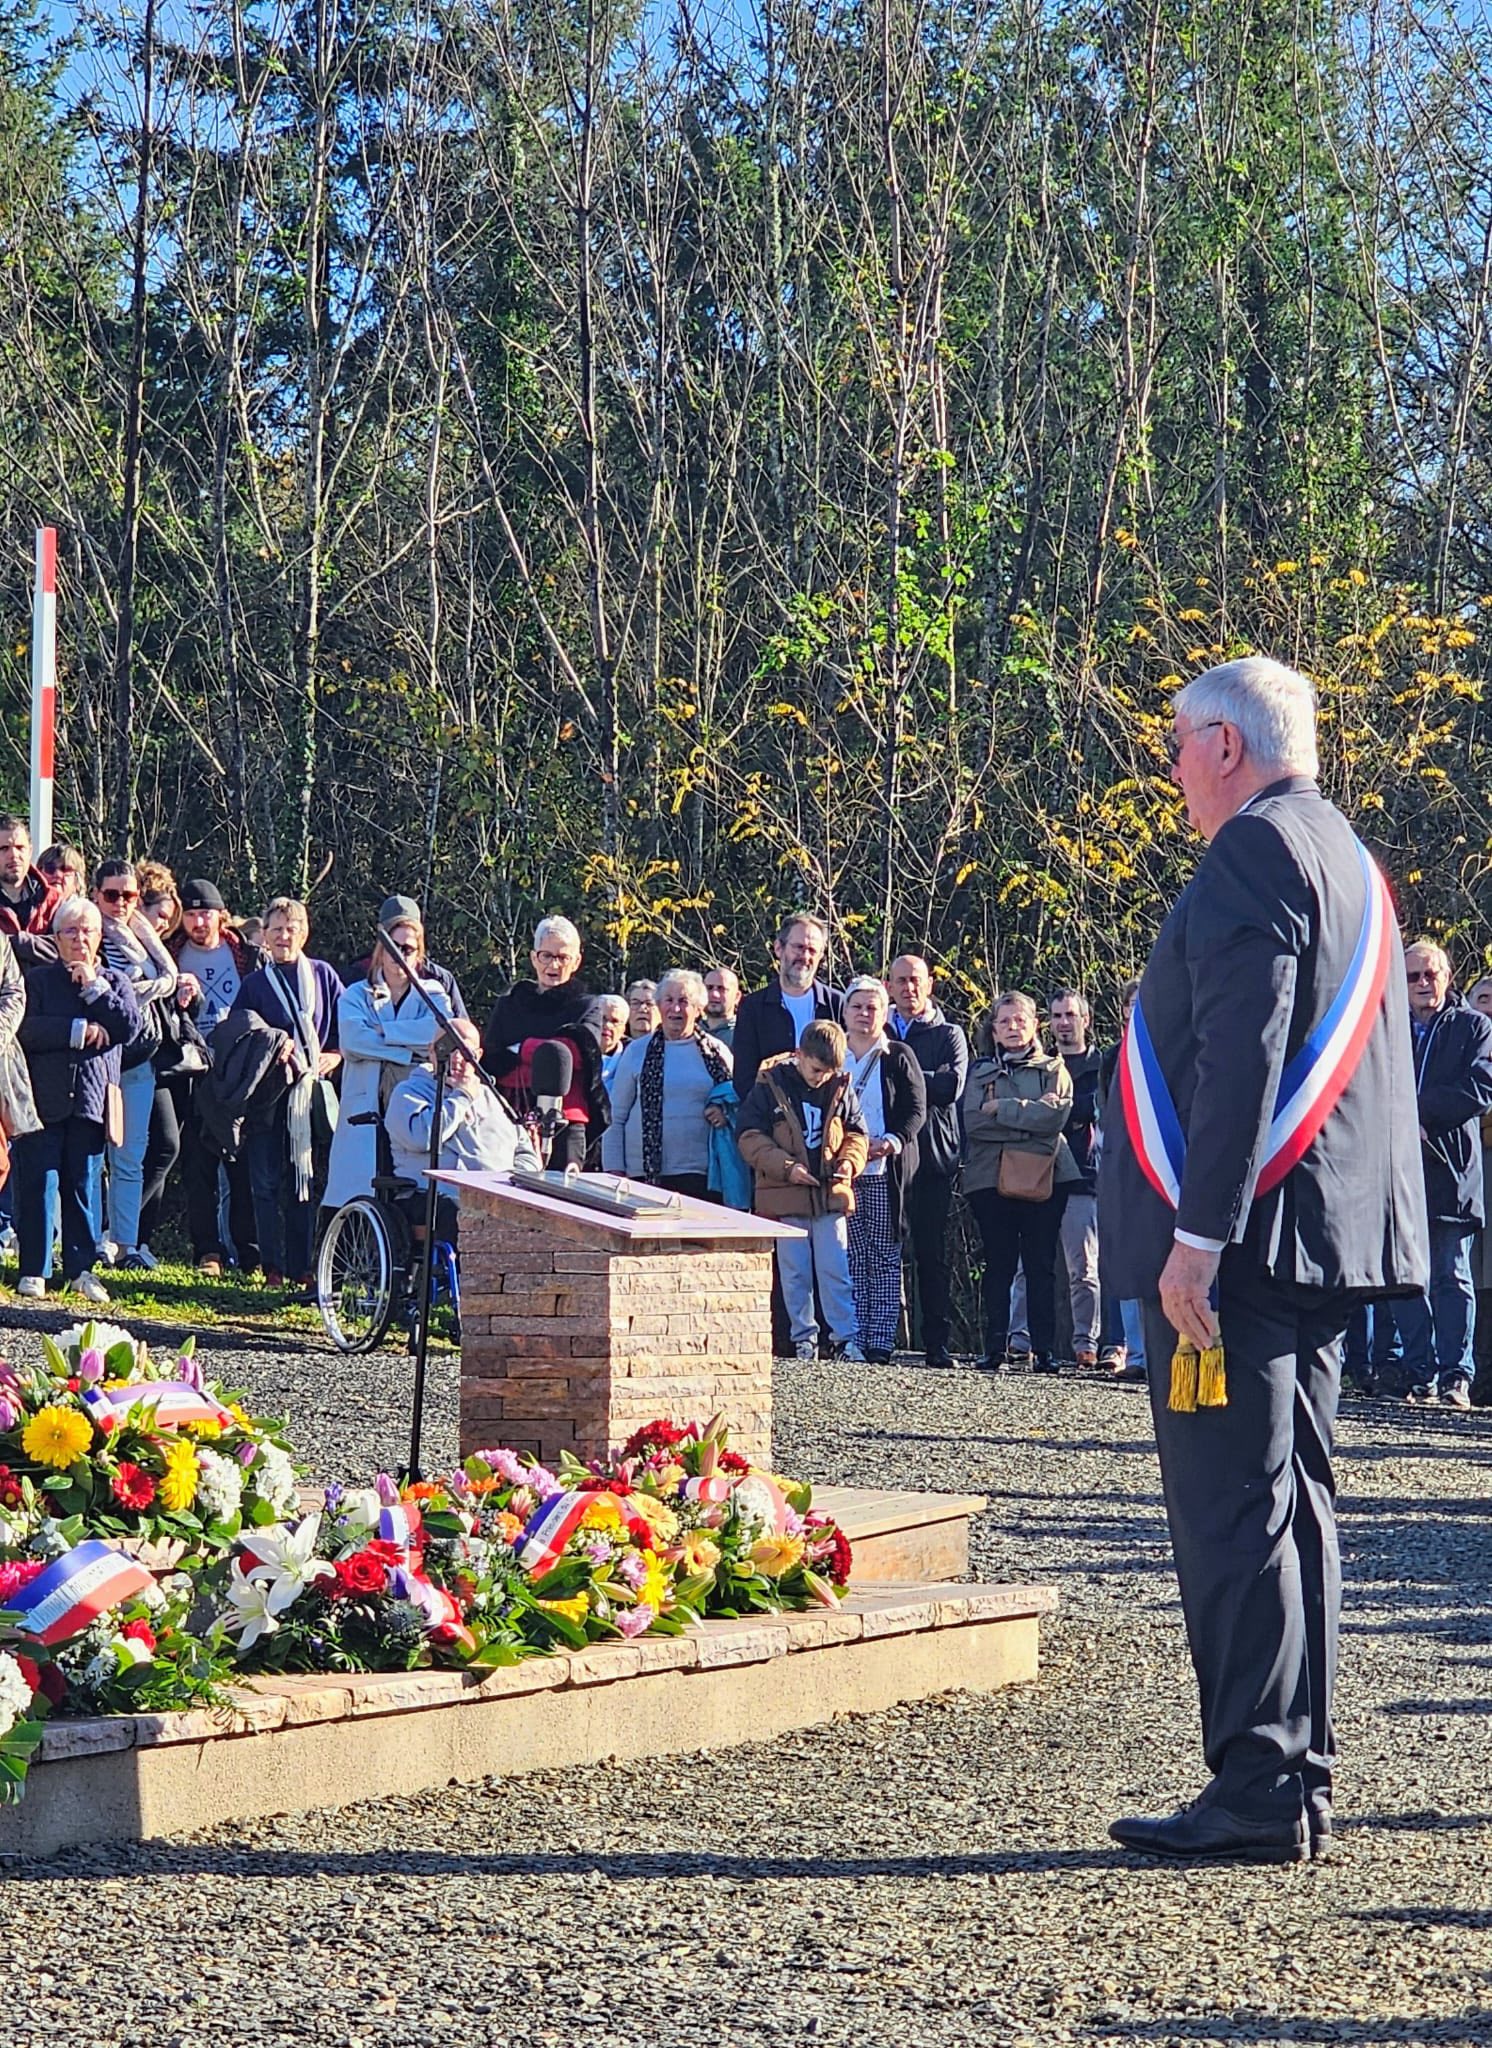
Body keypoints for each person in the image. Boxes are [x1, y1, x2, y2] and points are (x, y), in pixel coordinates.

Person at [1099, 656, 1427, 1866]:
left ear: (1227, 745)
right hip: (1317, 1239)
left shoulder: (1249, 850)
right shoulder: (1343, 849)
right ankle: (1290, 1771)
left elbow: (1244, 1046)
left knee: (1235, 1508)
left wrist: (1197, 1236)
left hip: (1243, 1250)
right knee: (1295, 1508)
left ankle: (1256, 1783)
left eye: (1179, 740)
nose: (1172, 763)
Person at [13, 899, 137, 1302]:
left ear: (100, 938)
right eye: (71, 931)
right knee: (38, 1182)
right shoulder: (38, 982)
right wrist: (77, 1030)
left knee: (83, 1186)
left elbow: (129, 1027)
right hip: (43, 1099)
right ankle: (34, 1268)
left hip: (91, 1100)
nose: (80, 939)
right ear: (56, 938)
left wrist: (94, 988)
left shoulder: (115, 983)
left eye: (88, 931)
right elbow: (24, 1031)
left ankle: (82, 1269)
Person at [1386, 940, 1492, 1408]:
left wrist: (1420, 1118)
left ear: (1447, 977)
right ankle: (1418, 1373)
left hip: (1450, 1170)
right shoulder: (1386, 1029)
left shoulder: (1476, 1026)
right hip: (1396, 1171)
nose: (1423, 984)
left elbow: (1480, 1086)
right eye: (1413, 977)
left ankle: (1456, 1375)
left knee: (1452, 1277)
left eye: (1431, 975)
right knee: (1403, 1278)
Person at [960, 992, 1079, 1373]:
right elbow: (975, 1124)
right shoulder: (979, 1073)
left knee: (1041, 1263)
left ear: (1034, 1026)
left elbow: (1055, 1121)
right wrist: (1031, 1118)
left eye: (1020, 1021)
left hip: (1046, 1175)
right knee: (999, 1264)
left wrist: (1004, 1109)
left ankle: (1044, 1350)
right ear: (993, 1031)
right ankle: (995, 1347)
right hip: (989, 1178)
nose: (1013, 1028)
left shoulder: (1053, 1069)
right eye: (1005, 1022)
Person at [737, 1019, 868, 1362]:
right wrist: (786, 1168)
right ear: (799, 1055)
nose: (821, 1076)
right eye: (815, 1069)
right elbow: (750, 1137)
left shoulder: (841, 1087)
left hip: (829, 1193)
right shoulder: (769, 1085)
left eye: (827, 1071)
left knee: (835, 1268)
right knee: (794, 1273)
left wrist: (848, 1164)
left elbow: (857, 1134)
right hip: (785, 1193)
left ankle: (844, 1339)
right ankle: (803, 1339)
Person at [231, 896, 344, 1288]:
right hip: (267, 1095)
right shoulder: (254, 985)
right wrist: (271, 1048)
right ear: (264, 935)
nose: (283, 936)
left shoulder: (324, 976)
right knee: (264, 1180)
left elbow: (349, 1024)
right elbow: (238, 1035)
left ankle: (303, 1267)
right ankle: (272, 1265)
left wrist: (336, 1054)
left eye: (291, 929)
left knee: (303, 1179)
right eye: (276, 929)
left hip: (308, 1093)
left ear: (304, 933)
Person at [322, 916, 457, 1213]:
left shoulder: (433, 993)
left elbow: (439, 1032)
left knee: (408, 1192)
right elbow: (353, 1042)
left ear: (418, 953)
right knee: (357, 1194)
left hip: (410, 1107)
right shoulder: (356, 994)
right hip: (366, 1107)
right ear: (380, 952)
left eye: (407, 949)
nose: (400, 956)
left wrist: (387, 1031)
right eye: (392, 948)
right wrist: (409, 1053)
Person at [168, 878, 264, 1275]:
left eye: (204, 913)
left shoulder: (246, 954)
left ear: (220, 914)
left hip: (238, 1068)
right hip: (191, 1068)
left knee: (242, 1163)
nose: (197, 922)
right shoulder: (171, 954)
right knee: (197, 1165)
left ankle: (250, 1250)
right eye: (189, 914)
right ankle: (208, 1250)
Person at [385, 1018, 541, 1243]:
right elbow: (423, 1137)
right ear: (431, 1051)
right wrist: (462, 1097)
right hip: (432, 1196)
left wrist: (512, 1184)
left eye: (464, 1050)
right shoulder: (409, 1093)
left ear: (477, 1056)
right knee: (459, 1213)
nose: (456, 1057)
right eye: (447, 1048)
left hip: (495, 1196)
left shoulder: (493, 1099)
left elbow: (524, 1151)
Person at [94, 857, 179, 1270]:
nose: (120, 904)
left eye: (129, 896)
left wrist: (141, 990)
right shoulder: (88, 931)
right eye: (112, 895)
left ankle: (126, 1243)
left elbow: (166, 977)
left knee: (132, 1154)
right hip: (98, 1056)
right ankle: (92, 1239)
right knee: (93, 1154)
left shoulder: (143, 936)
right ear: (97, 895)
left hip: (140, 1056)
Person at [887, 954, 969, 1368]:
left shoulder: (949, 1034)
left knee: (932, 1254)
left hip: (934, 1155)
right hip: (887, 1156)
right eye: (900, 980)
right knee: (882, 1248)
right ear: (889, 986)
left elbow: (950, 1087)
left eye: (915, 980)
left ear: (930, 983)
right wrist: (924, 1077)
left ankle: (937, 1344)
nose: (908, 988)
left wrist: (903, 1076)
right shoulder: (875, 1028)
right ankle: (880, 1337)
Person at [842, 976, 926, 1362]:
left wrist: (891, 1141)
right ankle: (853, 1336)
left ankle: (880, 1339)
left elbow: (915, 1109)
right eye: (857, 1006)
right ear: (845, 1011)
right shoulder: (833, 1054)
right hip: (843, 1169)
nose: (864, 1014)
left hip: (883, 1170)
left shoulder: (899, 1055)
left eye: (872, 1007)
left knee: (884, 1255)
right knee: (850, 1255)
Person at [483, 915, 609, 1171]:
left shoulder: (587, 1005)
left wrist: (521, 1049)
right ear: (533, 958)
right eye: (546, 955)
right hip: (510, 1113)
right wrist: (541, 1056)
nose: (554, 964)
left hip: (566, 1119)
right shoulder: (510, 1003)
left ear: (576, 961)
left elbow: (570, 1056)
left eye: (562, 957)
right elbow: (493, 1059)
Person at [601, 969, 733, 1199]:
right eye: (669, 1001)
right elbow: (615, 1118)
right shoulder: (637, 1052)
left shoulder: (717, 1052)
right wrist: (614, 1171)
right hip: (643, 1176)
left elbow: (736, 1103)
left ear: (698, 1008)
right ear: (659, 1006)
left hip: (703, 1176)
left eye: (684, 1001)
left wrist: (725, 1113)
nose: (676, 1009)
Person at [730, 913, 843, 1099]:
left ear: (821, 956)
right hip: (771, 1120)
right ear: (778, 948)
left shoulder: (837, 1005)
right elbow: (743, 1079)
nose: (805, 956)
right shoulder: (753, 1008)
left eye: (812, 950)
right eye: (798, 947)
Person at [0, 814, 62, 966]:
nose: (13, 855)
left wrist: (17, 942)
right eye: (4, 849)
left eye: (20, 848)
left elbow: (66, 949)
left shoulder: (52, 900)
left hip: (45, 988)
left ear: (30, 851)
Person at [597, 995, 630, 1093]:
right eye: (602, 1018)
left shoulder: (631, 1058)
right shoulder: (575, 1054)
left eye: (615, 1021)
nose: (607, 1025)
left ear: (623, 1029)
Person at [704, 967, 741, 1046]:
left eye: (722, 989)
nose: (714, 994)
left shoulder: (745, 1035)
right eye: (709, 988)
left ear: (737, 997)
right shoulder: (689, 1033)